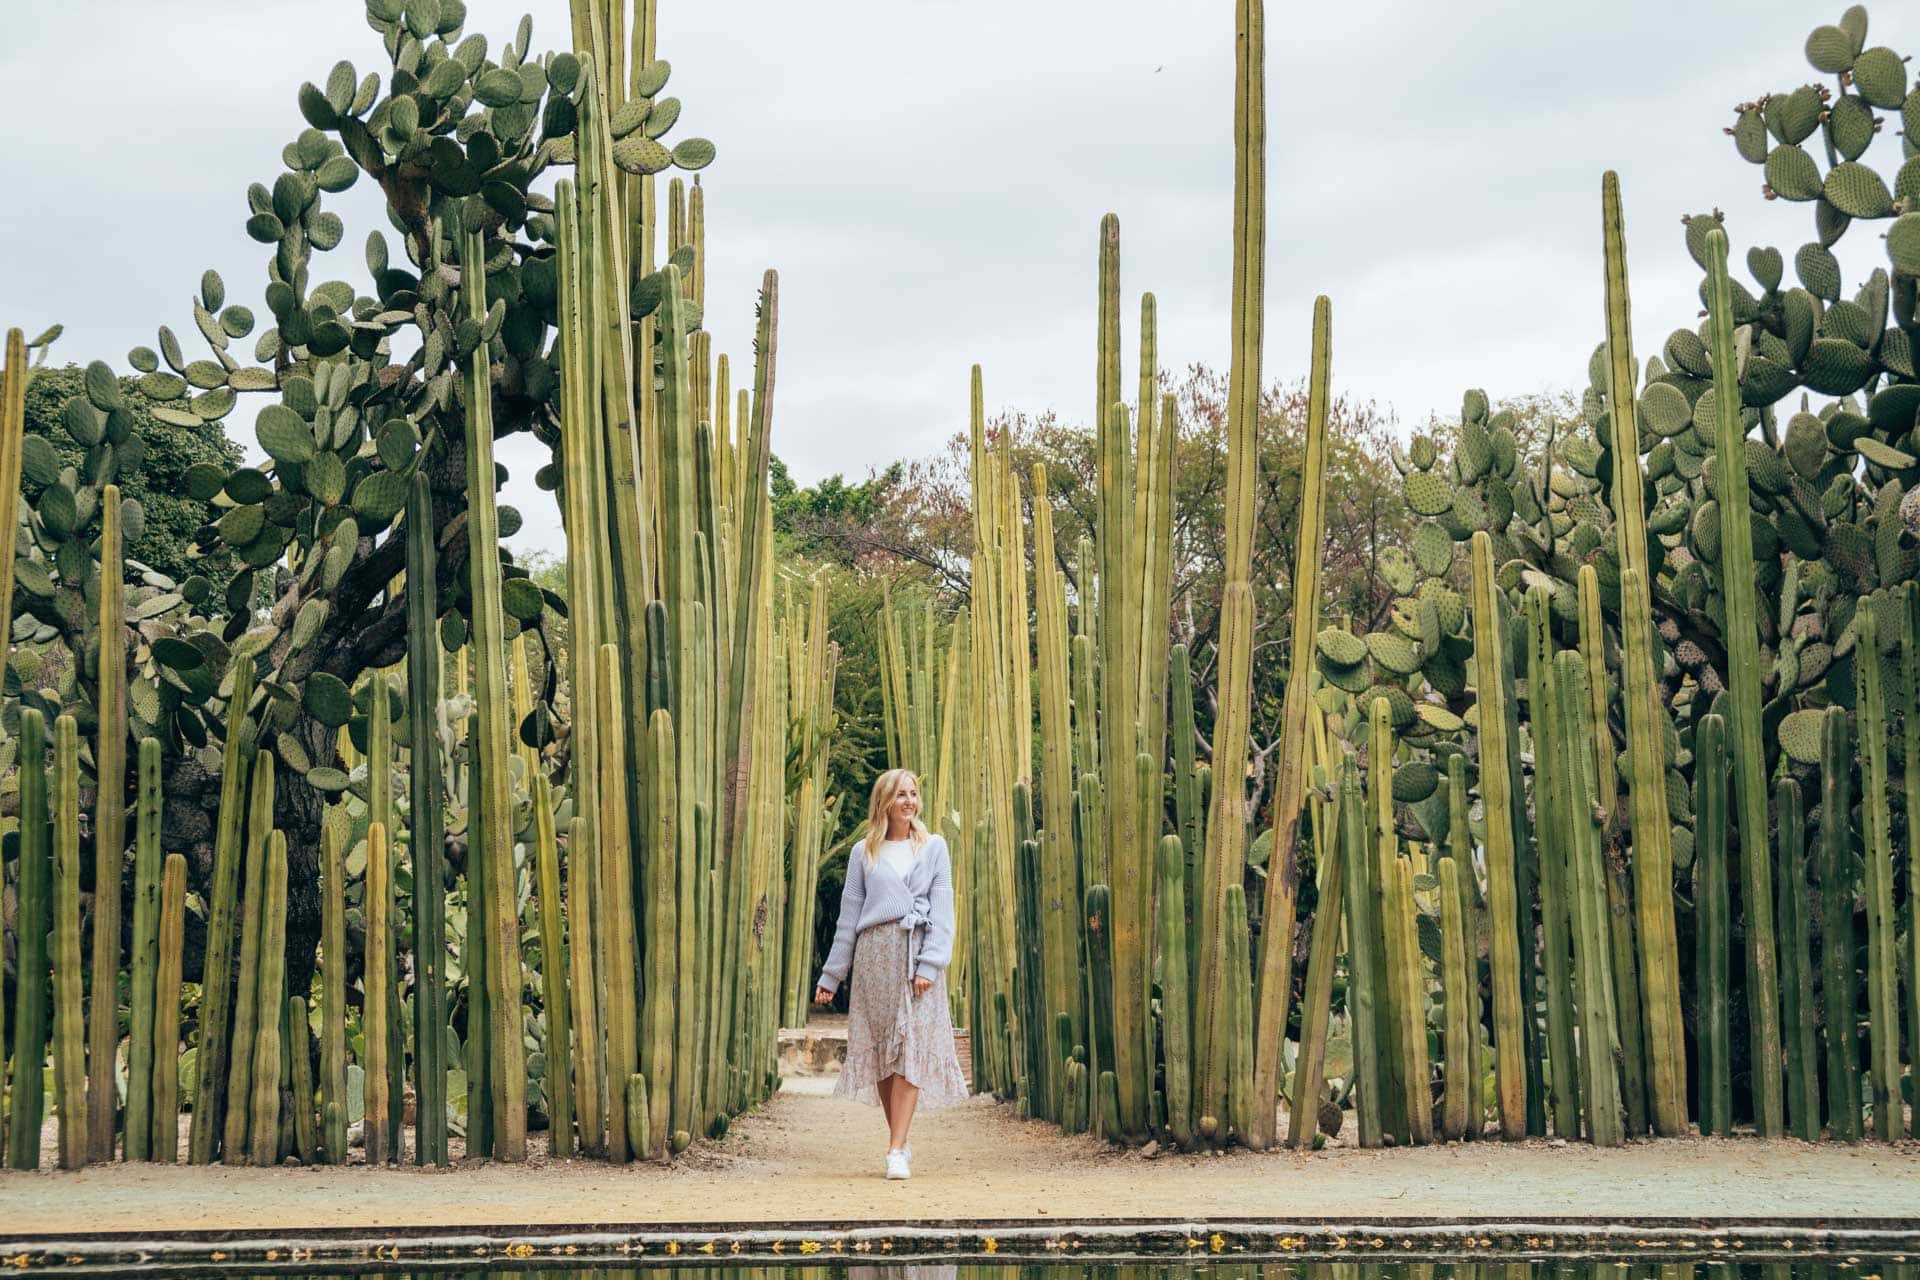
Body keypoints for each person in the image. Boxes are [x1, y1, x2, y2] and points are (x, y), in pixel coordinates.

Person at [814, 769, 968, 1180]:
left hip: (917, 955)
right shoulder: (864, 853)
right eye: (901, 794)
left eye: (914, 794)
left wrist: (931, 964)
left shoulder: (934, 847)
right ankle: (897, 1140)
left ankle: (896, 1149)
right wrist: (832, 977)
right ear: (884, 801)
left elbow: (944, 911)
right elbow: (849, 919)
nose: (909, 801)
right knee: (884, 1054)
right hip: (875, 958)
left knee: (911, 1050)